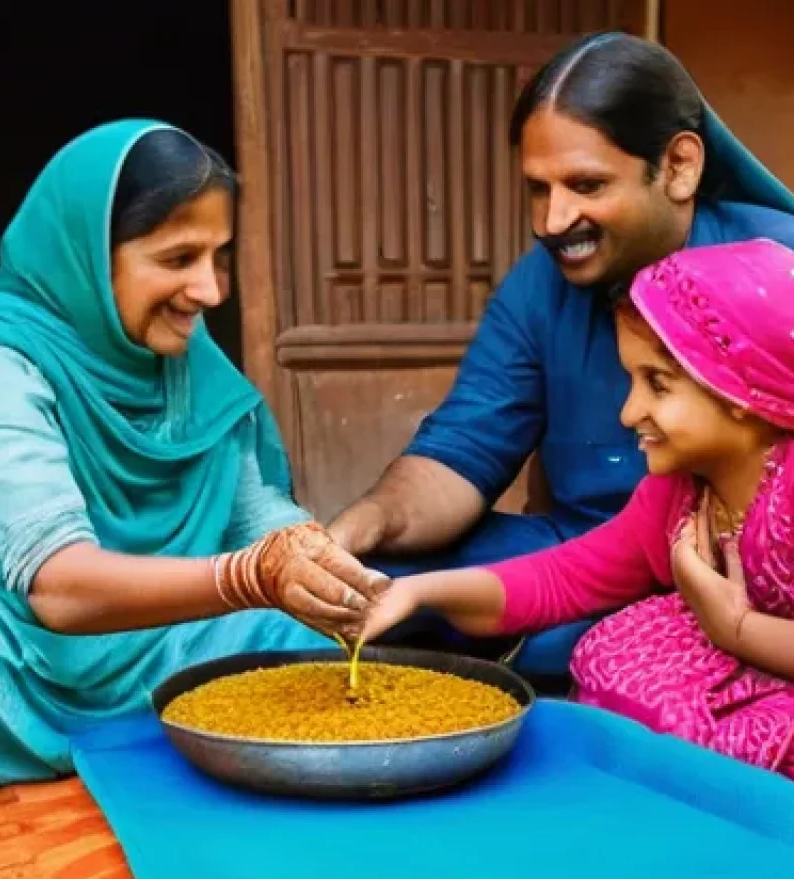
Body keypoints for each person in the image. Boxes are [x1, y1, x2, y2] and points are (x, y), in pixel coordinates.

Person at [0, 120, 385, 813]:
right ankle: (147, 737)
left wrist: (316, 564)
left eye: (219, 257)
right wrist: (247, 575)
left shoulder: (181, 353)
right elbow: (58, 587)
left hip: (146, 633)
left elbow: (253, 514)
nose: (211, 290)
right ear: (91, 256)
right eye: (178, 258)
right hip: (10, 644)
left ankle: (118, 738)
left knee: (313, 629)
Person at [327, 32, 794, 681]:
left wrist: (738, 617)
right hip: (599, 550)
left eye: (586, 184)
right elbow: (463, 450)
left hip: (750, 572)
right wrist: (361, 528)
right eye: (537, 190)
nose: (552, 220)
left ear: (680, 167)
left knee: (614, 639)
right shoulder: (539, 286)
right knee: (386, 582)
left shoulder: (777, 271)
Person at [361, 237, 794, 777]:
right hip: (739, 671)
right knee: (612, 656)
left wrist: (734, 628)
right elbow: (562, 580)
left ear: (740, 393)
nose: (630, 411)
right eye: (631, 381)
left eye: (657, 385)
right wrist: (417, 592)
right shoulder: (678, 495)